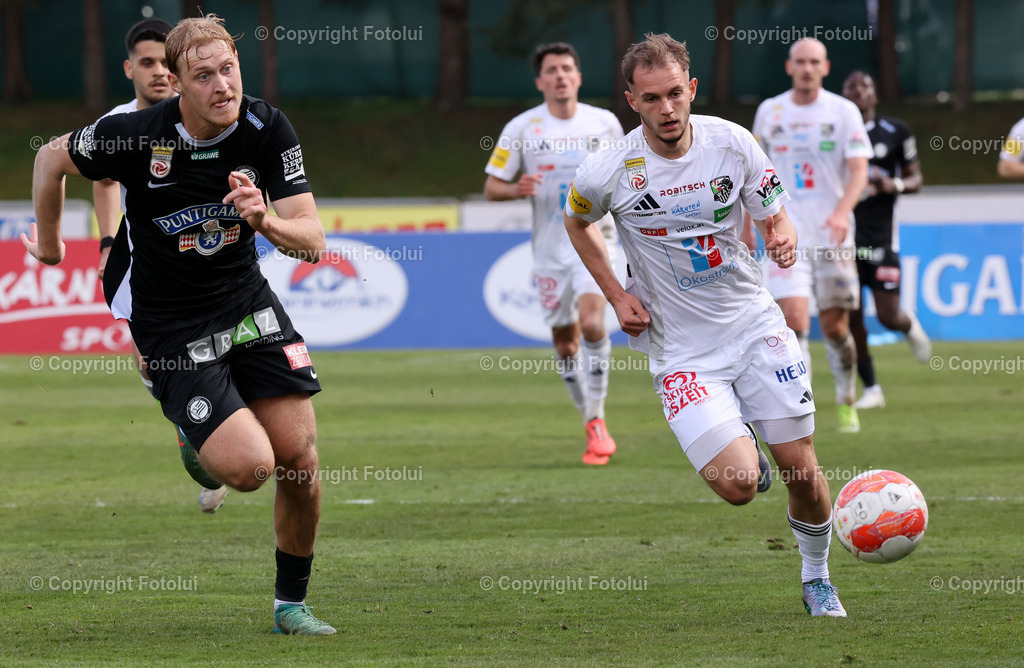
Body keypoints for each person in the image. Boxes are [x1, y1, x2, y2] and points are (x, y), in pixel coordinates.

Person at [24, 14, 335, 635]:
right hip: (169, 322)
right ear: (177, 83)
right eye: (204, 76)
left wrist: (266, 221)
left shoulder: (266, 128)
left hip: (246, 301)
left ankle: (289, 606)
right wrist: (54, 245)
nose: (223, 86)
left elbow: (314, 241)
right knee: (251, 470)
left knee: (300, 461)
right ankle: (196, 427)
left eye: (229, 69)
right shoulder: (134, 134)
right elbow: (50, 159)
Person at [564, 33, 846, 617]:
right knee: (739, 485)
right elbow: (577, 221)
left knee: (802, 467)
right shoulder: (609, 169)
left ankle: (817, 576)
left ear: (691, 89)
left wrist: (782, 236)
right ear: (631, 102)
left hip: (753, 326)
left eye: (674, 94)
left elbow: (776, 216)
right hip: (683, 351)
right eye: (650, 99)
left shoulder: (733, 143)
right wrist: (616, 295)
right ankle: (743, 435)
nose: (666, 110)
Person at [94, 18, 230, 513]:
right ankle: (193, 425)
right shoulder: (121, 124)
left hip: (219, 256)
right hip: (151, 266)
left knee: (237, 350)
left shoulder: (217, 110)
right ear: (129, 68)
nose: (157, 73)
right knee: (152, 360)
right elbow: (104, 181)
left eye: (163, 63)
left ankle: (222, 431)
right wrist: (108, 239)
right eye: (145, 63)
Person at [484, 43, 625, 465]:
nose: (561, 75)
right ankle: (589, 421)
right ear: (540, 81)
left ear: (578, 77)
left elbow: (630, 175)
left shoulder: (605, 124)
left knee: (592, 323)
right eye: (552, 70)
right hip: (549, 252)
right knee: (566, 346)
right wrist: (516, 188)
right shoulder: (522, 128)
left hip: (596, 241)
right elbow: (493, 187)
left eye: (568, 68)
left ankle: (598, 419)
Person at [746, 38, 871, 434]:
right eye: (800, 61)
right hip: (785, 235)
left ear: (825, 67)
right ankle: (805, 407)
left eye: (814, 62)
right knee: (794, 322)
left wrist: (840, 212)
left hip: (832, 236)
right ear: (789, 67)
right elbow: (751, 172)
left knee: (836, 328)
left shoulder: (843, 111)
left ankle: (847, 397)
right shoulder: (770, 111)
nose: (806, 68)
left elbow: (859, 171)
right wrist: (751, 223)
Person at [841, 71, 931, 410]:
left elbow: (917, 178)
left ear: (875, 96)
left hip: (880, 239)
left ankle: (908, 325)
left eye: (865, 87)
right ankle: (872, 388)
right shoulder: (834, 133)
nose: (858, 93)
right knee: (853, 320)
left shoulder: (896, 131)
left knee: (887, 316)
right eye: (851, 88)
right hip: (844, 239)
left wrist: (893, 185)